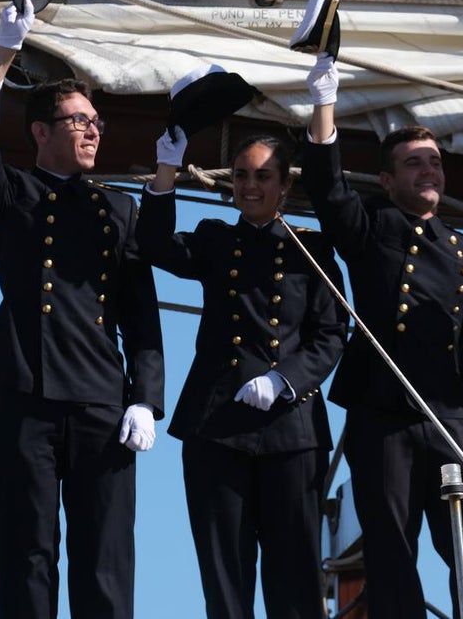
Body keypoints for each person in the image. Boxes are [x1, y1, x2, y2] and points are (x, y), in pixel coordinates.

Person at [0, 0, 165, 619]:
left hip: (103, 400)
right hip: (27, 392)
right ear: (41, 133)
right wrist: (1, 60)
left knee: (106, 558)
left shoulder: (118, 211)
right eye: (77, 121)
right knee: (27, 552)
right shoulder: (13, 196)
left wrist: (146, 400)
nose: (93, 130)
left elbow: (142, 317)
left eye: (96, 121)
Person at [301, 55, 463, 618]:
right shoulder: (374, 229)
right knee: (391, 553)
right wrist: (325, 103)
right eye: (414, 164)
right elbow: (327, 188)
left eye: (435, 162)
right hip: (384, 413)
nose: (429, 171)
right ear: (389, 181)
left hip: (453, 416)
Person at [135, 126, 347, 619]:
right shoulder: (214, 239)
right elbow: (154, 245)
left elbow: (332, 333)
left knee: (294, 580)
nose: (250, 186)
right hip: (217, 427)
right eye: (241, 175)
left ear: (285, 186)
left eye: (263, 176)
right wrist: (166, 170)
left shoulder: (312, 251)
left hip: (290, 432)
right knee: (224, 579)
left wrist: (283, 380)